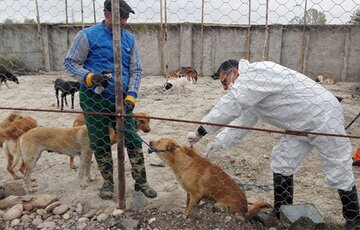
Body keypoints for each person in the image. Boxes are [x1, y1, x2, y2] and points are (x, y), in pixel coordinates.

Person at [187, 59, 359, 229]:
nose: (224, 88)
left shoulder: (256, 73)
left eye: (224, 82)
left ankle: (354, 219)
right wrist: (218, 142)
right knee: (282, 160)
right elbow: (243, 120)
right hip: (298, 125)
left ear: (234, 72)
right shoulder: (250, 91)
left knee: (338, 168)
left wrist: (201, 130)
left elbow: (230, 104)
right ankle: (280, 214)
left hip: (323, 116)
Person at [63, 0, 157, 200]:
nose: (123, 22)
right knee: (100, 142)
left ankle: (141, 181)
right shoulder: (87, 36)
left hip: (121, 102)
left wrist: (131, 95)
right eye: (119, 17)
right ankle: (108, 182)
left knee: (131, 139)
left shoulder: (129, 39)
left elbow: (136, 70)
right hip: (93, 99)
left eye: (126, 18)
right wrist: (89, 77)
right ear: (106, 14)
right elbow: (70, 63)